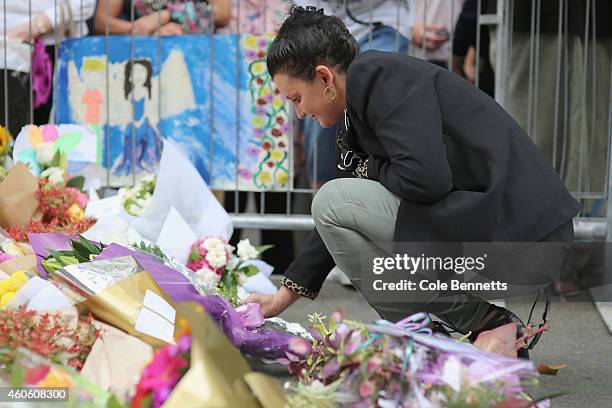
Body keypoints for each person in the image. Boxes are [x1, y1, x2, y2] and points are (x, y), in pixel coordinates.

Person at [243, 6, 580, 358]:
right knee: (335, 205)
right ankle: (436, 341)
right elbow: (342, 213)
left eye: (296, 98)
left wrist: (368, 168)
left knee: (330, 201)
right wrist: (282, 297)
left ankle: (480, 326)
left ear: (325, 78)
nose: (299, 112)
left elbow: (425, 179)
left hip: (519, 234)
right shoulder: (360, 97)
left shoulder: (380, 76)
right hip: (495, 226)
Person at [1, 0, 96, 132]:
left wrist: (40, 24)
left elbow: (84, 3)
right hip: (6, 46)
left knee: (57, 137)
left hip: (59, 46)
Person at [93, 0, 231, 35]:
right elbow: (101, 22)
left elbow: (223, 14)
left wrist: (168, 15)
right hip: (144, 56)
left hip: (197, 53)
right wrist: (146, 29)